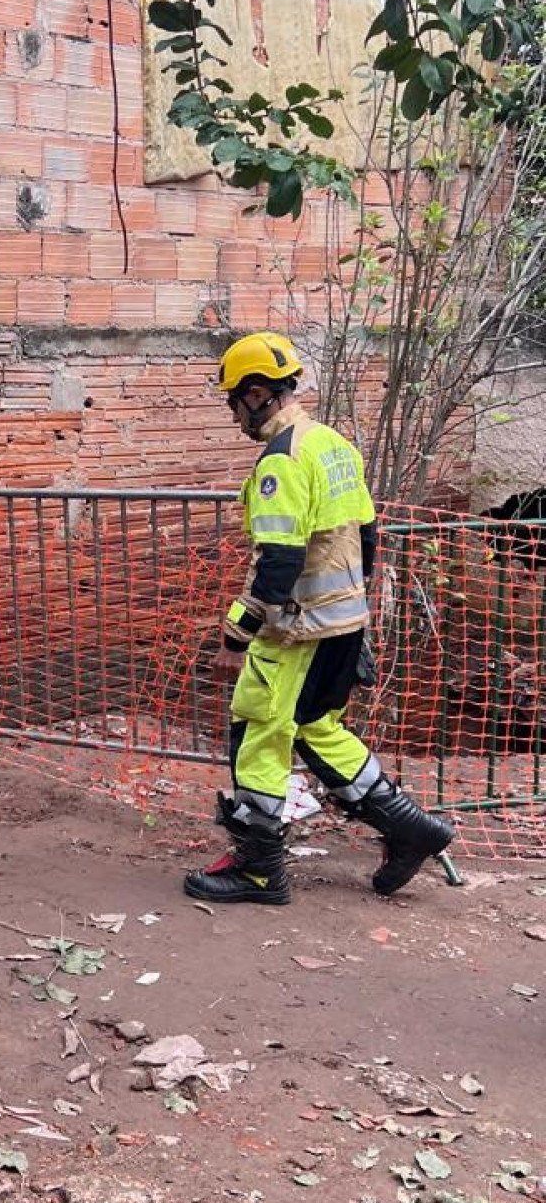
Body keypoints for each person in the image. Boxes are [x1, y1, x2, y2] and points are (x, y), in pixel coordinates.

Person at [185, 331, 454, 906]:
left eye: (234, 400)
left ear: (256, 393)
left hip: (295, 633)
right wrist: (353, 611)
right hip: (342, 624)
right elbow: (368, 534)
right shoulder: (333, 444)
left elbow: (279, 562)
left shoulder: (282, 461)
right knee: (316, 727)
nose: (234, 415)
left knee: (258, 732)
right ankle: (410, 829)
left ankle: (259, 871)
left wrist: (236, 634)